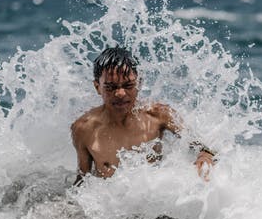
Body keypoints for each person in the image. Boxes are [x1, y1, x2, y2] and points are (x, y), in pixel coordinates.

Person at [71, 47, 216, 186]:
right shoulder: (84, 129)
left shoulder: (159, 115)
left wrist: (205, 157)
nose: (120, 93)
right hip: (110, 208)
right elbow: (83, 180)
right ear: (97, 87)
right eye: (111, 87)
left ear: (139, 83)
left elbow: (200, 145)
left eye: (128, 85)